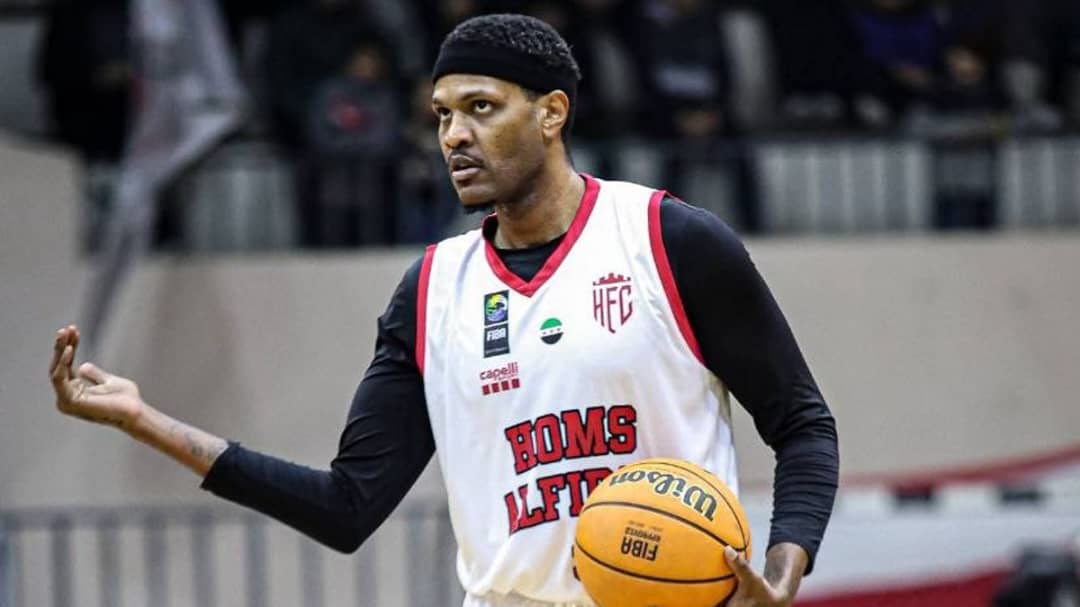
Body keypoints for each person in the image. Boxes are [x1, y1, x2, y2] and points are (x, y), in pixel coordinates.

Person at [48, 13, 839, 607]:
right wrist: (146, 421)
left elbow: (803, 424)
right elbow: (348, 505)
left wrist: (782, 570)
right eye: (441, 115)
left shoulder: (669, 240)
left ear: (552, 113)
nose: (455, 135)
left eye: (481, 107)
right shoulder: (431, 290)